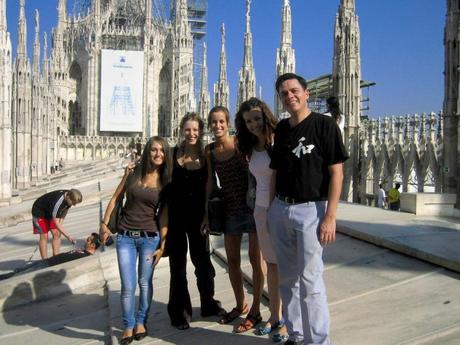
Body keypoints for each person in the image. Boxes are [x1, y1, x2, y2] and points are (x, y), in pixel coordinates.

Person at [268, 73, 349, 345]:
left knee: (310, 280)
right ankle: (296, 334)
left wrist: (330, 216)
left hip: (311, 210)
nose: (289, 96)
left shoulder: (325, 126)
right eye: (283, 93)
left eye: (294, 91)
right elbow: (275, 171)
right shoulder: (281, 129)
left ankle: (318, 341)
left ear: (306, 93)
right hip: (281, 209)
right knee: (287, 279)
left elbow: (337, 173)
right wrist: (270, 211)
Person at [99, 136, 171, 345]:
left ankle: (141, 321)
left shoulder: (165, 181)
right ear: (148, 152)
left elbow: (164, 215)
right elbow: (115, 197)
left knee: (144, 282)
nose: (158, 154)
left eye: (162, 151)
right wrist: (104, 224)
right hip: (125, 238)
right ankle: (128, 325)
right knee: (128, 285)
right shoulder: (133, 173)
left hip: (150, 238)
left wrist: (164, 243)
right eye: (154, 150)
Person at [204, 106, 264, 333]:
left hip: (252, 208)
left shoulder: (241, 143)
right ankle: (240, 305)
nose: (217, 126)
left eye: (221, 121)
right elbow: (211, 183)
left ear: (227, 123)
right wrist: (206, 212)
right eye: (213, 122)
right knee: (233, 262)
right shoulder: (210, 151)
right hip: (229, 210)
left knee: (256, 260)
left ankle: (255, 311)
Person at [235, 97, 288, 342]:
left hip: (281, 209)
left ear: (265, 116)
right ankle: (274, 316)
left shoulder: (279, 139)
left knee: (287, 266)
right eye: (248, 121)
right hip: (260, 210)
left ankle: (288, 320)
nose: (253, 124)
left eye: (257, 118)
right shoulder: (249, 147)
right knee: (273, 266)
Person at [167, 113, 225, 330]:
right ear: (182, 129)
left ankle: (208, 303)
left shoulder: (206, 155)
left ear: (201, 132)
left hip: (198, 217)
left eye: (195, 130)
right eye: (188, 129)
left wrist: (206, 215)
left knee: (202, 263)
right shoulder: (173, 154)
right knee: (177, 266)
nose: (191, 133)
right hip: (175, 217)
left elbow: (210, 184)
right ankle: (180, 312)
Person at [0, 233, 101, 281]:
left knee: (19, 275)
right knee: (18, 271)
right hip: (47, 261)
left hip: (48, 266)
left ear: (92, 245)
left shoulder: (86, 257)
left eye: (88, 239)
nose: (85, 239)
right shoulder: (83, 252)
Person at [32, 189, 82, 259]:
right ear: (68, 197)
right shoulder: (58, 202)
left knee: (57, 233)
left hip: (50, 210)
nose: (74, 205)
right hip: (39, 211)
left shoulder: (70, 196)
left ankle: (56, 256)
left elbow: (65, 211)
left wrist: (60, 225)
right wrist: (68, 237)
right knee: (44, 236)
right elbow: (56, 223)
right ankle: (44, 260)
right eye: (73, 203)